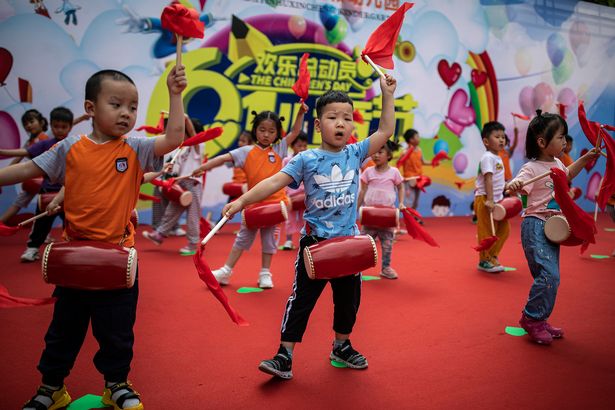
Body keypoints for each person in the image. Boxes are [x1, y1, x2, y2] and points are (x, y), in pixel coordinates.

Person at [0, 65, 187, 410]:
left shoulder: (136, 148)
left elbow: (174, 137)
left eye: (132, 107)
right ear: (90, 108)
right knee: (63, 331)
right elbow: (27, 170)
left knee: (116, 332)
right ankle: (51, 388)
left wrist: (175, 94)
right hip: (74, 260)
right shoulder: (69, 148)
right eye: (116, 104)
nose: (126, 114)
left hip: (118, 258)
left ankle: (115, 385)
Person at [221, 74, 397, 379]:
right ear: (318, 125)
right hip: (314, 246)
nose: (340, 124)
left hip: (348, 245)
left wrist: (387, 94)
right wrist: (242, 201)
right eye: (332, 117)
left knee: (348, 302)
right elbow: (275, 181)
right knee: (300, 301)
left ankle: (341, 345)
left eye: (346, 118)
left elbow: (386, 129)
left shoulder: (356, 153)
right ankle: (284, 355)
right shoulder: (306, 159)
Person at [506, 110, 599, 345]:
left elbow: (567, 174)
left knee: (550, 278)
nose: (565, 141)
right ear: (541, 142)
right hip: (535, 225)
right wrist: (514, 184)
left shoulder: (557, 162)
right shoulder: (531, 168)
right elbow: (514, 186)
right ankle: (531, 318)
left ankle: (541, 318)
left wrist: (586, 159)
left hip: (551, 228)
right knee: (549, 275)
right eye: (560, 137)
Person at [192, 103, 308, 288]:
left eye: (271, 131)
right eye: (262, 129)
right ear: (255, 130)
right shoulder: (246, 152)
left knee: (269, 241)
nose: (266, 134)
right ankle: (226, 271)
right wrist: (202, 168)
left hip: (275, 205)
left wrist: (300, 113)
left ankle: (265, 273)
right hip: (252, 206)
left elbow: (295, 131)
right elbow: (223, 158)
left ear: (277, 133)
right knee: (242, 239)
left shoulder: (279, 149)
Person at [0, 107, 75, 262]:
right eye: (56, 126)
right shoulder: (45, 144)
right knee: (41, 223)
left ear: (70, 127)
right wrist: (3, 151)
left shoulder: (75, 145)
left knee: (73, 225)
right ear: (51, 125)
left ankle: (72, 250)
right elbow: (24, 155)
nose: (60, 130)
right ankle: (32, 248)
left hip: (69, 193)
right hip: (47, 192)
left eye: (64, 127)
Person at [142, 117, 205, 255]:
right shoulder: (182, 149)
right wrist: (173, 179)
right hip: (181, 183)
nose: (182, 133)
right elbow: (179, 168)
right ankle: (159, 234)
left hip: (193, 184)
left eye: (184, 130)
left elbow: (193, 133)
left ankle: (193, 244)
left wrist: (186, 121)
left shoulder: (198, 146)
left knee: (192, 216)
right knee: (172, 209)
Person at [356, 140, 404, 279]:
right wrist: (357, 209)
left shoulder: (394, 172)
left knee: (387, 244)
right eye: (374, 152)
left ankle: (386, 268)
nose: (376, 155)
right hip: (370, 215)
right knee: (365, 244)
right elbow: (362, 191)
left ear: (388, 155)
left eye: (380, 152)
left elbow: (400, 187)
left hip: (387, 216)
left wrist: (401, 203)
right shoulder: (368, 172)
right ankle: (358, 268)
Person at [0, 109, 49, 224]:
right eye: (25, 124)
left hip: (48, 179)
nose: (28, 125)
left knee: (48, 205)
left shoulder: (46, 138)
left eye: (31, 121)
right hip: (35, 179)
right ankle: (1, 223)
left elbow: (66, 125)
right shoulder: (29, 142)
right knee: (19, 203)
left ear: (41, 122)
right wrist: (3, 177)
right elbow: (17, 158)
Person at [474, 121, 510, 273]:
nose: (502, 140)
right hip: (485, 199)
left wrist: (507, 188)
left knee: (504, 229)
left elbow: (497, 180)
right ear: (486, 142)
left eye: (503, 136)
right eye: (497, 136)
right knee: (487, 231)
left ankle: (492, 255)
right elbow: (488, 179)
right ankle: (484, 260)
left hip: (497, 200)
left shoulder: (498, 157)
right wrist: (489, 200)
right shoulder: (487, 157)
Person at [281, 131, 308, 250]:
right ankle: (288, 241)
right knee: (290, 219)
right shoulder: (287, 160)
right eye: (299, 145)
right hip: (291, 196)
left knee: (306, 219)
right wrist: (285, 195)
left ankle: (304, 241)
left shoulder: (308, 158)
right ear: (292, 146)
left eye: (304, 145)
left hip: (305, 196)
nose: (302, 148)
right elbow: (282, 179)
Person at [398, 128, 428, 210]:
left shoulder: (419, 150)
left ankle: (413, 217)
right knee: (409, 200)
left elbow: (423, 162)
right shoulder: (405, 152)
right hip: (409, 178)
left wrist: (433, 162)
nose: (419, 138)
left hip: (419, 178)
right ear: (411, 139)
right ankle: (409, 218)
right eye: (417, 137)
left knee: (416, 200)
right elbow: (399, 163)